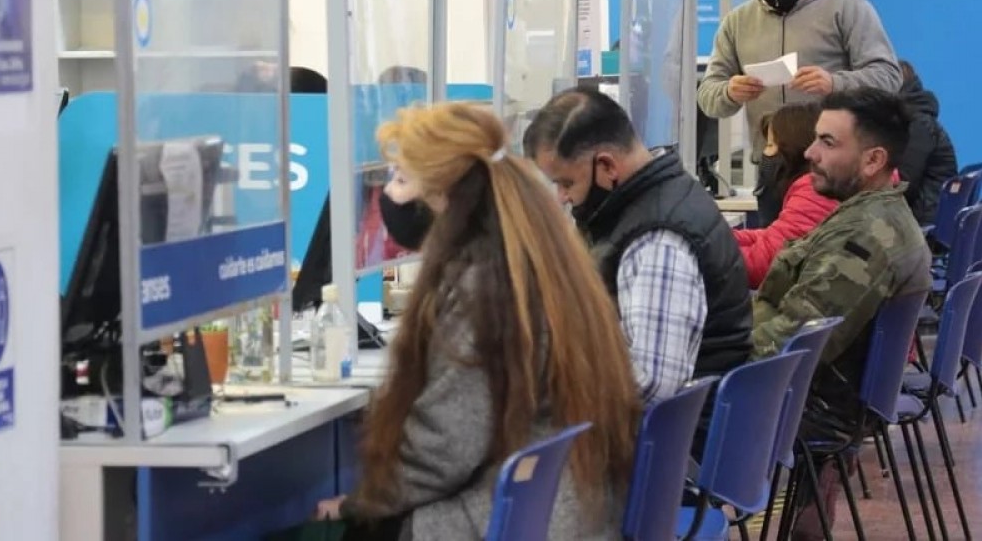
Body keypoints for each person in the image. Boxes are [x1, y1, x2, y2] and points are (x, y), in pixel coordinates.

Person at [314, 103, 638, 540]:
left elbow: (444, 448)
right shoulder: (537, 259)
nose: (390, 194)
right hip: (564, 510)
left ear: (446, 195)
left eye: (403, 179)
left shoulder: (482, 288)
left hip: (508, 521)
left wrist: (359, 503)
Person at [522, 88, 752, 454]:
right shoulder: (664, 196)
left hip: (666, 453)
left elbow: (650, 383)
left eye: (566, 183)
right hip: (679, 435)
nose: (562, 197)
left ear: (608, 166)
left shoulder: (657, 238)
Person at [749, 88, 932, 538]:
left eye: (828, 143)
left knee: (646, 418)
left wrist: (704, 358)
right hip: (820, 397)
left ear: (872, 160)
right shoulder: (867, 215)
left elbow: (789, 344)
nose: (809, 152)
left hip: (807, 406)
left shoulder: (867, 238)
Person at [698, 0, 902, 139]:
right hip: (771, 160)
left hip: (835, 159)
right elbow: (707, 96)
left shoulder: (847, 5)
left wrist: (835, 83)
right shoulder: (737, 21)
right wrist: (729, 92)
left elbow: (888, 77)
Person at [737, 103, 838, 288]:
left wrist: (705, 254)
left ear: (796, 149)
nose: (766, 154)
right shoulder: (813, 188)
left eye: (771, 145)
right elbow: (772, 237)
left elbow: (763, 266)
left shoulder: (815, 194)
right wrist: (717, 238)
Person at [896, 60, 959, 226]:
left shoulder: (918, 125)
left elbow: (904, 185)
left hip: (922, 223)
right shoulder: (920, 120)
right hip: (928, 216)